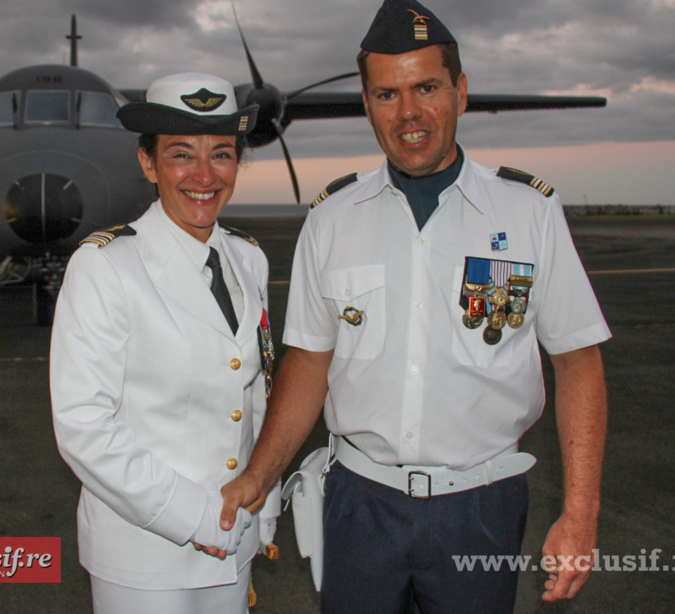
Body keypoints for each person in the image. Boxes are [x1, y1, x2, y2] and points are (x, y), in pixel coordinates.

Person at [219, 1, 610, 612]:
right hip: (359, 505)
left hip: (480, 506)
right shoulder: (331, 219)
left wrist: (581, 514)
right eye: (387, 94)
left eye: (426, 87)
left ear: (460, 92)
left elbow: (578, 362)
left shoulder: (529, 213)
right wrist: (259, 474)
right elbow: (309, 363)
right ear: (368, 104)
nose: (408, 113)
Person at [50, 72, 280, 614]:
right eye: (181, 155)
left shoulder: (248, 258)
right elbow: (84, 426)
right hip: (145, 556)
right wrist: (196, 516)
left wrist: (262, 503)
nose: (204, 175)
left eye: (221, 154)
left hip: (234, 540)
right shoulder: (106, 267)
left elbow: (254, 394)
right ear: (148, 163)